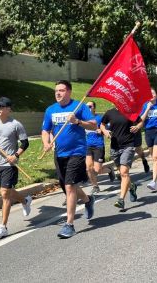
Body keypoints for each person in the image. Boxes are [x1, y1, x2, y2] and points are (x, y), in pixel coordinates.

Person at [42, 80, 96, 239]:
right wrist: (46, 143)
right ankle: (87, 200)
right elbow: (45, 130)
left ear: (69, 92)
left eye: (62, 90)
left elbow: (93, 125)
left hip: (77, 152)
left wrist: (77, 121)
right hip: (59, 154)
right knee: (67, 187)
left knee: (70, 186)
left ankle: (69, 224)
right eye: (56, 91)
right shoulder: (50, 110)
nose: (58, 93)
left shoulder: (79, 107)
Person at [0, 97, 32, 238]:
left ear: (9, 109)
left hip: (9, 165)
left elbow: (25, 143)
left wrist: (16, 155)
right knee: (8, 192)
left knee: (5, 194)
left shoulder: (16, 124)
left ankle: (3, 227)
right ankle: (25, 200)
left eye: (1, 106)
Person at [100, 108, 143, 210]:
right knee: (122, 173)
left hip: (128, 145)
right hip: (114, 147)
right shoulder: (109, 112)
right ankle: (131, 186)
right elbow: (102, 124)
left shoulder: (130, 111)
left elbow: (140, 122)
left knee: (124, 172)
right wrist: (105, 131)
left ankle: (121, 200)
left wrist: (137, 127)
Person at [85, 101, 115, 194]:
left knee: (97, 170)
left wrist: (101, 131)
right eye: (86, 107)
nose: (88, 108)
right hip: (87, 146)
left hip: (98, 145)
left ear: (94, 108)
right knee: (88, 168)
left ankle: (109, 170)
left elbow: (109, 129)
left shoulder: (99, 118)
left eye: (90, 106)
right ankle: (95, 186)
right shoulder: (84, 119)